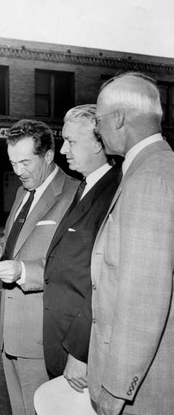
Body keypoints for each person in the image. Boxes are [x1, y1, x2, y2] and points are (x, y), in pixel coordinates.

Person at [88, 72, 174, 415]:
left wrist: (116, 387)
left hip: (143, 387)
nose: (97, 129)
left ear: (119, 118)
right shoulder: (154, 167)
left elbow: (143, 296)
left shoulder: (149, 179)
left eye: (98, 120)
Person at [0, 119, 78, 415]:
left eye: (25, 162)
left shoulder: (74, 194)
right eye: (13, 163)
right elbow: (12, 241)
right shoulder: (22, 192)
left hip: (41, 337)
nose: (18, 171)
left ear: (49, 156)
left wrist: (22, 271)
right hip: (10, 333)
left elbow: (71, 266)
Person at [42, 104, 121, 392]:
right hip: (62, 343)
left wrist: (80, 351)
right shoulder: (86, 185)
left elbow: (106, 283)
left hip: (83, 352)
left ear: (100, 143)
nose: (63, 150)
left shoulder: (115, 192)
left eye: (71, 142)